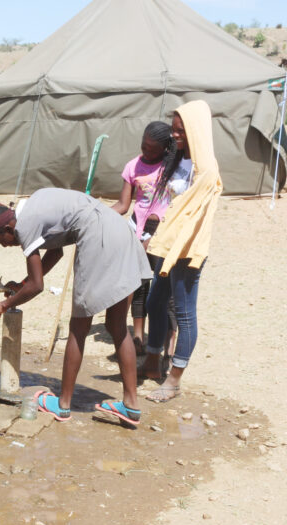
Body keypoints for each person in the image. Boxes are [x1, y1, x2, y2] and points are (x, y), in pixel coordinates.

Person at [0, 190, 152, 427]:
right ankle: (131, 404)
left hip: (98, 238)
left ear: (8, 228)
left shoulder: (24, 226)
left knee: (78, 327)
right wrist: (21, 285)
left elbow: (37, 285)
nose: (5, 246)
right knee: (117, 325)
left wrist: (4, 304)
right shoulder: (34, 204)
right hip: (121, 231)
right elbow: (56, 251)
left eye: (2, 241)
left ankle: (62, 404)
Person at [140, 100, 222, 402]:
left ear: (195, 130)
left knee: (185, 314)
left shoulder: (206, 169)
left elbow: (192, 215)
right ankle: (152, 360)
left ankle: (174, 380)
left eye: (181, 130)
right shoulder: (179, 159)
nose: (174, 135)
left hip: (187, 248)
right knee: (155, 302)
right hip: (168, 243)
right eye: (174, 130)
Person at [110, 121, 178, 356]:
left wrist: (157, 231)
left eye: (152, 149)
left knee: (165, 290)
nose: (146, 152)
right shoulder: (133, 166)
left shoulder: (173, 168)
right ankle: (138, 337)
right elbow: (123, 205)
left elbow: (178, 204)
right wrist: (95, 214)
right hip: (136, 234)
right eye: (144, 146)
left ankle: (169, 345)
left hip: (162, 236)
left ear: (164, 148)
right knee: (137, 285)